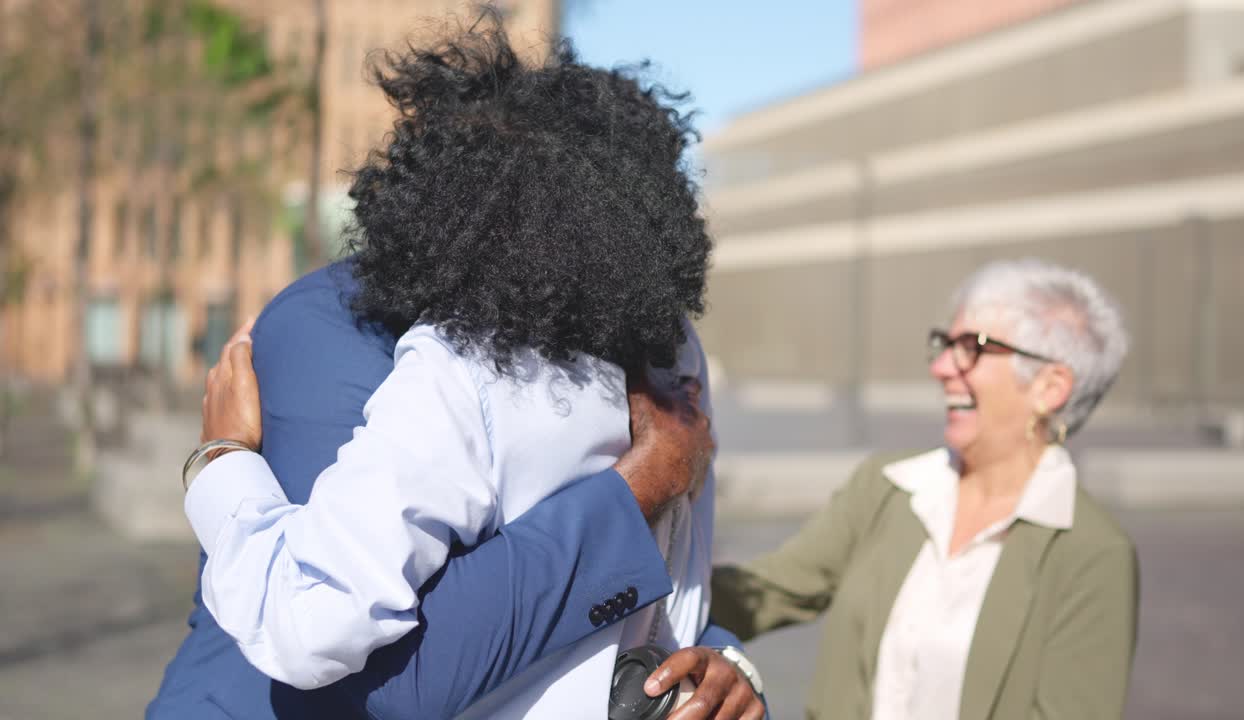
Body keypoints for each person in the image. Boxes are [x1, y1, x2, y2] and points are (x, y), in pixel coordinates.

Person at [163, 14, 764, 720]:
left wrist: (724, 666)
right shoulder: (338, 327)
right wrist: (645, 483)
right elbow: (381, 672)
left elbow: (676, 593)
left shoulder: (645, 349)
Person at [706, 259, 1139, 720]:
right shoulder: (888, 487)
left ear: (1050, 388)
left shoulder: (1093, 554)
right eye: (945, 345)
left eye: (972, 348)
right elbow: (765, 592)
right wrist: (658, 591)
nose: (941, 367)